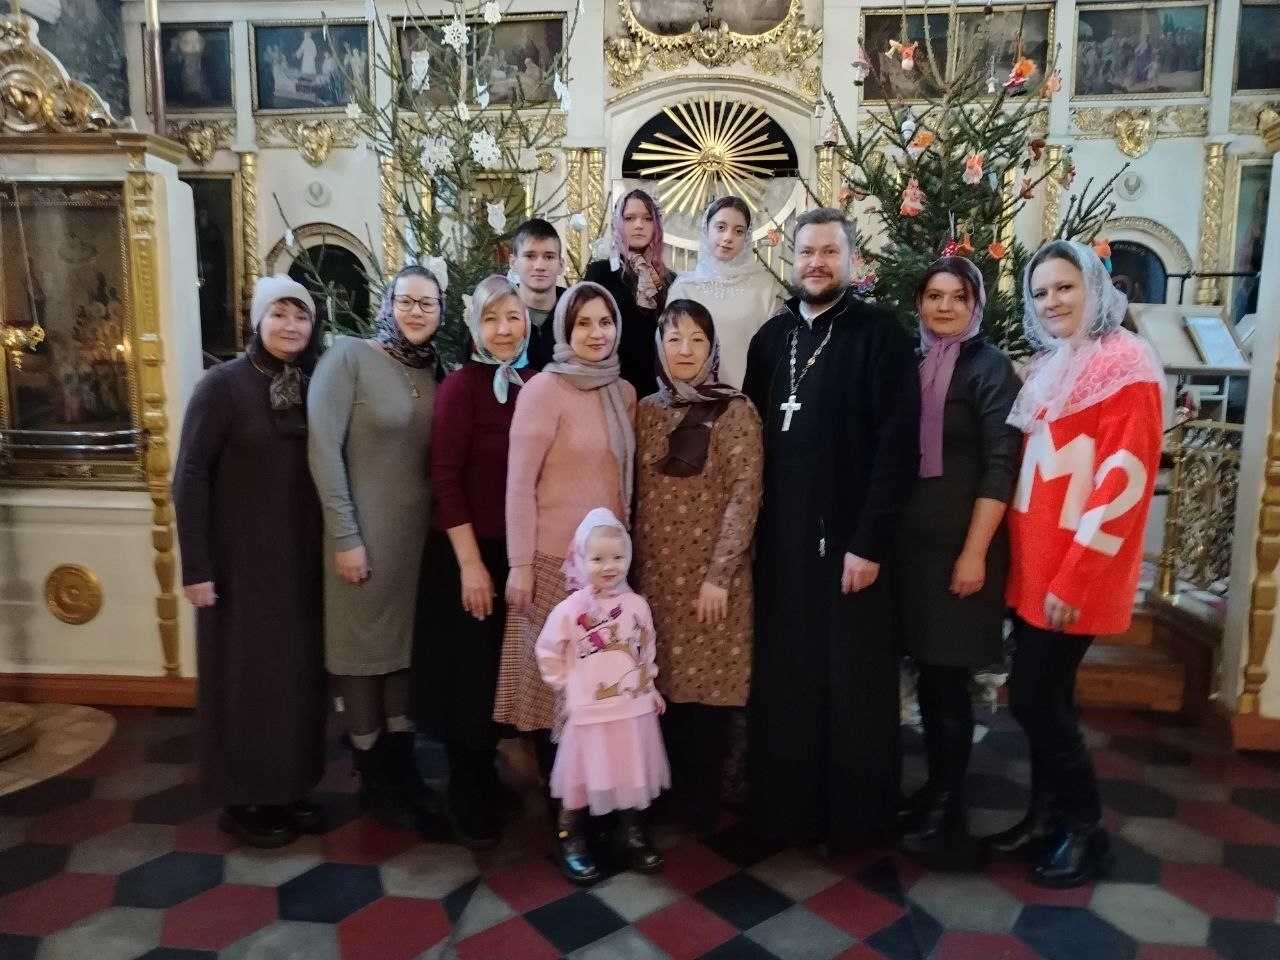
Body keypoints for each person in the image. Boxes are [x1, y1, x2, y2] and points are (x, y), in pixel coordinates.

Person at [983, 240, 1164, 887]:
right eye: (1040, 292)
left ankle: (1088, 834)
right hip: (1035, 570)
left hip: (1073, 574)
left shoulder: (1128, 368)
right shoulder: (1052, 363)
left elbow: (1123, 484)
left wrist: (1075, 577)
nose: (1051, 301)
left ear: (1094, 288)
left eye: (1064, 287)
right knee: (1049, 697)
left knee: (1035, 699)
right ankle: (1045, 819)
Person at [742, 208, 920, 850]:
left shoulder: (880, 336)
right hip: (783, 546)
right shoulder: (771, 338)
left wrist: (868, 542)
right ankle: (787, 815)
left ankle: (853, 822)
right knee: (789, 677)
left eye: (829, 252)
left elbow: (897, 449)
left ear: (851, 260)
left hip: (852, 544)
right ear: (792, 260)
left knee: (852, 683)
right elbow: (748, 441)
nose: (816, 263)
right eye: (807, 252)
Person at [174, 276, 326, 848]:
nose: (291, 325)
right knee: (245, 683)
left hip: (298, 562)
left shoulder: (313, 384)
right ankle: (242, 800)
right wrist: (196, 567)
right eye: (279, 314)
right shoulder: (222, 386)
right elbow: (190, 475)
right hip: (238, 567)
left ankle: (286, 787)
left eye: (301, 316)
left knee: (295, 681)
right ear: (258, 321)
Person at [495, 280, 636, 882]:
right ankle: (566, 827)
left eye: (605, 322)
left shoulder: (624, 392)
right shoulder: (542, 391)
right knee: (563, 706)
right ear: (564, 330)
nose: (596, 333)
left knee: (604, 703)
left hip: (610, 576)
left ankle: (598, 812)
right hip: (555, 570)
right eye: (583, 323)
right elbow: (519, 484)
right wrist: (520, 564)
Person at [892, 258, 1021, 869]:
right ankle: (935, 790)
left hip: (962, 551)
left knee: (948, 682)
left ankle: (951, 806)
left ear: (976, 304)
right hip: (913, 554)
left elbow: (1001, 463)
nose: (944, 307)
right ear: (919, 302)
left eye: (957, 296)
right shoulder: (913, 360)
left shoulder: (989, 367)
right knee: (930, 675)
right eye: (933, 295)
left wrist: (974, 551)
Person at [308, 264, 444, 833]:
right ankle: (373, 776)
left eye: (428, 303)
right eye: (406, 300)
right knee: (361, 657)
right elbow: (323, 449)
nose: (416, 312)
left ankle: (403, 768)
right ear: (387, 304)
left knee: (401, 656)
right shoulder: (349, 358)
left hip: (415, 547)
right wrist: (346, 537)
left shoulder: (435, 370)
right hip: (361, 541)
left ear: (440, 313)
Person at [632, 298, 763, 834]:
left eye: (697, 340)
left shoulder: (736, 411)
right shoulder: (644, 410)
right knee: (663, 686)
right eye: (673, 339)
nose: (684, 350)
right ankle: (664, 793)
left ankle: (703, 801)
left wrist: (718, 576)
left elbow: (744, 496)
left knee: (710, 691)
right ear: (659, 347)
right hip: (656, 579)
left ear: (712, 348)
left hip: (713, 581)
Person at [414, 275, 531, 849]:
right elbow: (445, 479)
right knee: (467, 679)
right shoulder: (460, 388)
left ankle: (485, 779)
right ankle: (466, 793)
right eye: (491, 319)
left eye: (512, 317)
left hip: (514, 553)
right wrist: (471, 565)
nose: (504, 330)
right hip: (468, 553)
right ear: (475, 327)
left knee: (495, 677)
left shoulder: (535, 382)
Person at [536, 508, 670, 884]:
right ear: (580, 558)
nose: (609, 566)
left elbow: (645, 649)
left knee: (631, 773)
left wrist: (650, 686)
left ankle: (634, 834)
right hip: (590, 713)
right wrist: (566, 683)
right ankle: (572, 839)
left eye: (617, 557)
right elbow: (547, 649)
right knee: (580, 779)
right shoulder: (570, 609)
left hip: (633, 709)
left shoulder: (637, 605)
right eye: (597, 559)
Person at [667, 197, 784, 388]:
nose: (728, 237)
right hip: (695, 396)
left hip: (751, 394)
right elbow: (669, 351)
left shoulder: (764, 288)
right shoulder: (684, 288)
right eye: (721, 227)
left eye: (738, 231)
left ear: (747, 237)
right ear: (706, 229)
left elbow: (775, 350)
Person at [584, 189, 675, 397]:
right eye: (629, 218)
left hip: (658, 389)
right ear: (618, 223)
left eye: (647, 218)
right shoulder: (601, 272)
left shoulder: (669, 279)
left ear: (656, 225)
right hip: (610, 385)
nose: (639, 225)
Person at [508, 218, 566, 369]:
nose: (539, 266)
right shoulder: (496, 312)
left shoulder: (576, 311)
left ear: (561, 264)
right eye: (530, 256)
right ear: (513, 262)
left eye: (549, 257)